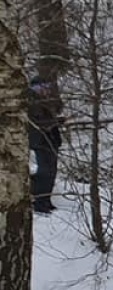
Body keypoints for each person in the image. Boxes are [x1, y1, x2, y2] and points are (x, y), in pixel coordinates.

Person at [27, 74, 63, 213]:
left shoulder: (48, 100)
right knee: (45, 171)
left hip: (51, 139)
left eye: (46, 87)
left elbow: (56, 111)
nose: (44, 90)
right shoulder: (32, 101)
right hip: (40, 140)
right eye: (40, 87)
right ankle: (39, 200)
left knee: (51, 170)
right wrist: (56, 122)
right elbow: (37, 123)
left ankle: (45, 199)